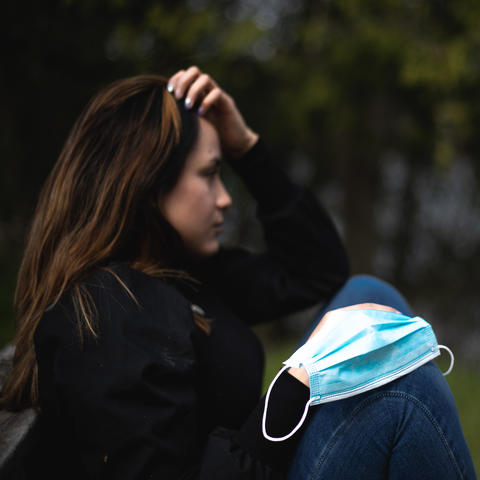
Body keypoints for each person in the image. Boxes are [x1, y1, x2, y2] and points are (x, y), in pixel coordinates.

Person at [0, 66, 475, 479]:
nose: (225, 197)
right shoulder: (110, 314)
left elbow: (318, 271)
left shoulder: (180, 272)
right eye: (209, 174)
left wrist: (246, 148)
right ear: (148, 181)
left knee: (367, 293)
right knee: (404, 393)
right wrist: (299, 380)